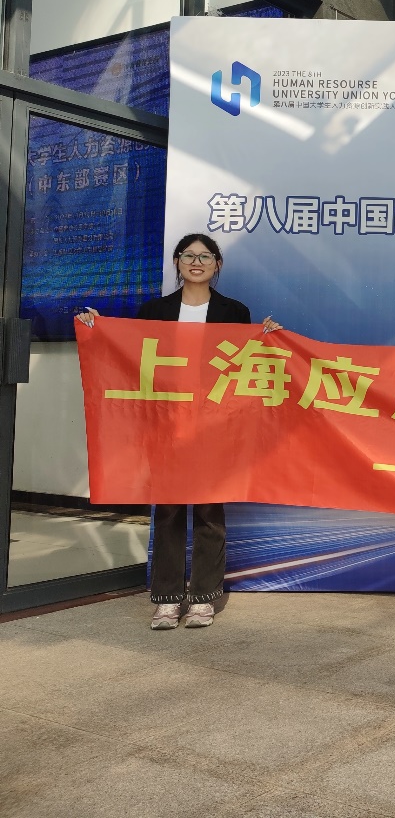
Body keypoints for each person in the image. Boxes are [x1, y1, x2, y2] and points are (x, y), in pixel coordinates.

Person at [75, 233, 281, 631]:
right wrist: (97, 328)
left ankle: (204, 598)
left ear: (217, 264)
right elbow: (132, 354)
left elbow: (245, 363)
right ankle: (167, 599)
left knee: (209, 511)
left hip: (214, 424)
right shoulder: (155, 310)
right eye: (188, 255)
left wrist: (269, 338)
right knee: (168, 510)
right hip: (166, 424)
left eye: (205, 256)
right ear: (177, 262)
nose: (196, 262)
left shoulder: (234, 311)